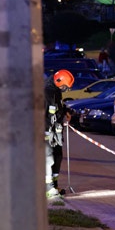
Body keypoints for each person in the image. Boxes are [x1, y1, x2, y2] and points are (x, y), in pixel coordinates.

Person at [45, 69, 74, 198]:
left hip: (55, 131)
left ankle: (55, 185)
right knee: (47, 158)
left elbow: (57, 108)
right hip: (44, 131)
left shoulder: (56, 91)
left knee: (57, 156)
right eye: (64, 87)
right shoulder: (45, 91)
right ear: (58, 81)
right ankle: (48, 187)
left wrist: (66, 111)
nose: (65, 90)